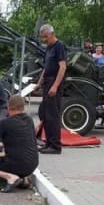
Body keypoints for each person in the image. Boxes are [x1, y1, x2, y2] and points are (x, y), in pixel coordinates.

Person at [34, 24, 67, 154]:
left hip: (54, 82)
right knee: (46, 114)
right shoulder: (48, 48)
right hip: (47, 82)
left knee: (53, 115)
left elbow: (62, 67)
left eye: (45, 37)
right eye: (43, 38)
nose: (44, 40)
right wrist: (39, 83)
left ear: (52, 33)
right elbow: (46, 68)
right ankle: (48, 142)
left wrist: (55, 85)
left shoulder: (59, 46)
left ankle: (55, 146)